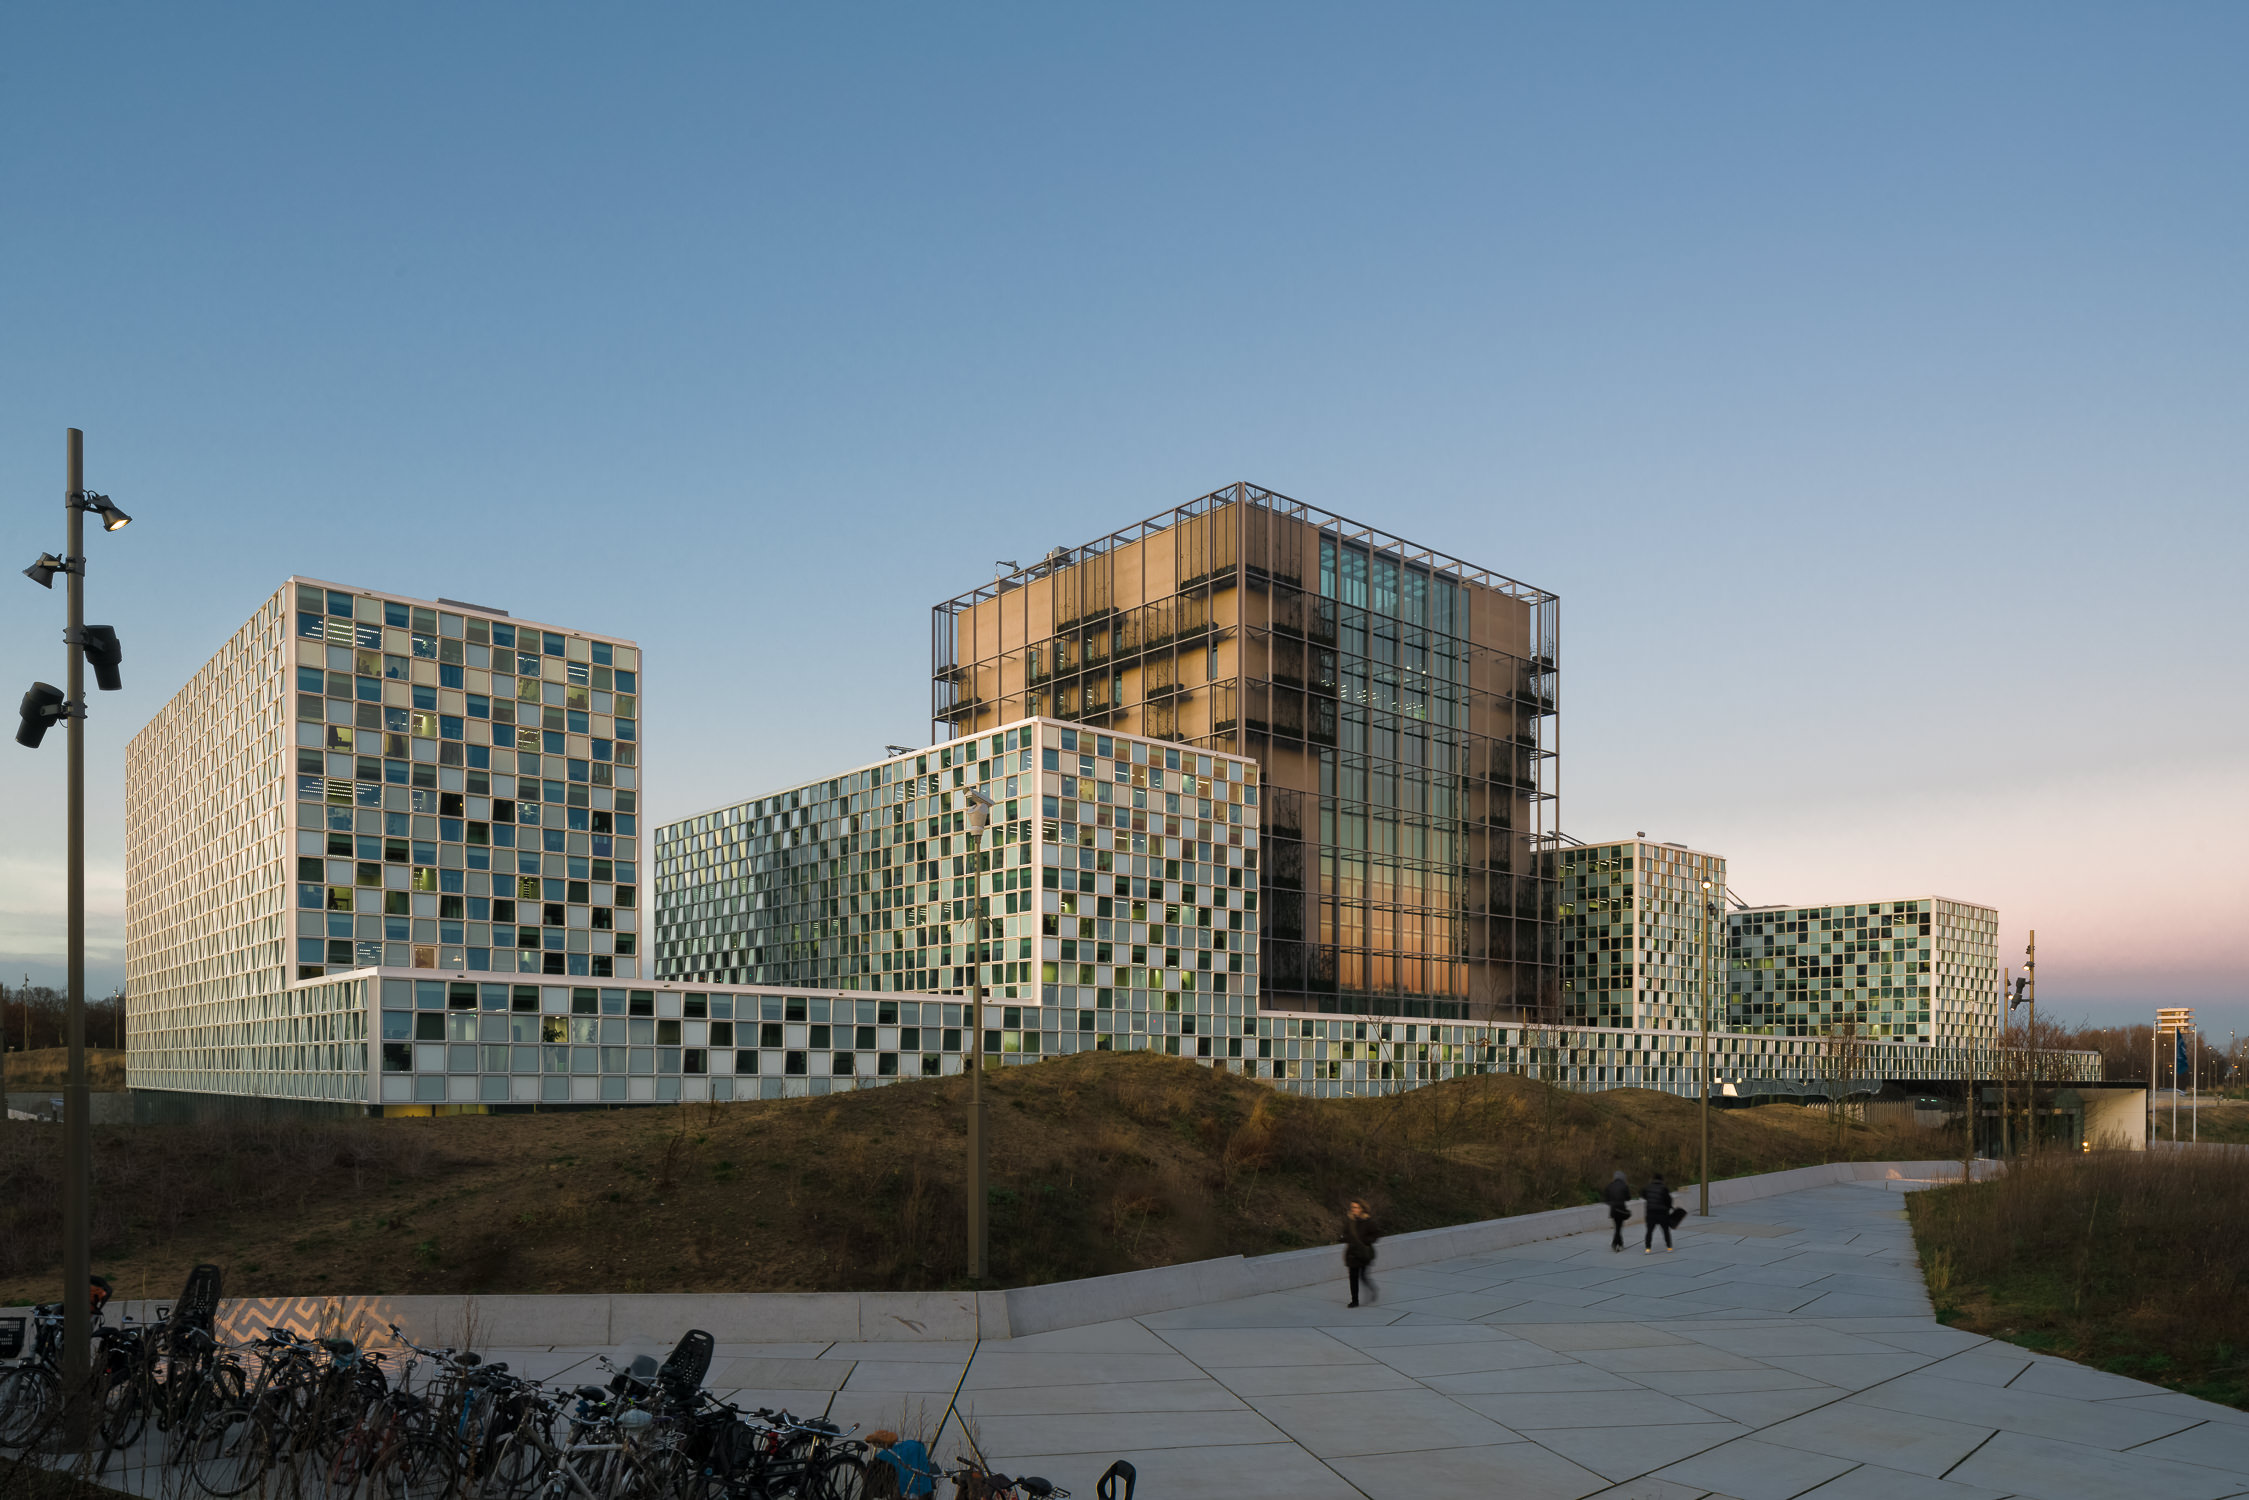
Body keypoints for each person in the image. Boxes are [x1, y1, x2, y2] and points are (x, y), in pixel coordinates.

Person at [1343, 1200, 1382, 1306]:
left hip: (1364, 1253)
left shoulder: (1368, 1222)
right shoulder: (1349, 1221)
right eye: (1352, 1207)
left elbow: (1376, 1234)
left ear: (1362, 1209)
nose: (1354, 1209)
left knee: (1363, 1276)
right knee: (1353, 1277)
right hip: (1352, 1253)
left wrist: (1366, 1241)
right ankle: (1354, 1300)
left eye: (1356, 1207)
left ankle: (1373, 1289)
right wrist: (1343, 1238)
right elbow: (1345, 1233)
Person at [1643, 1172, 1674, 1252]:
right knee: (1665, 1230)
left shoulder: (1648, 1187)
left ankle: (1648, 1248)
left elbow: (1644, 1195)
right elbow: (1668, 1200)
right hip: (1662, 1213)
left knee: (1649, 1231)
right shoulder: (1664, 1188)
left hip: (1651, 1212)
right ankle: (1669, 1247)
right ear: (1661, 1179)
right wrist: (1669, 1207)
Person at [1603, 1169, 1632, 1252]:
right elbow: (1628, 1198)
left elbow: (1606, 1200)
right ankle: (1615, 1243)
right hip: (1621, 1210)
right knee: (1619, 1228)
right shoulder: (1624, 1186)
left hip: (1613, 1210)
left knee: (1617, 1227)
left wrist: (1612, 1203)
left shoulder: (1610, 1186)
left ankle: (1620, 1243)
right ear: (1623, 1178)